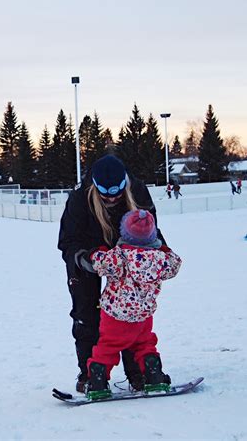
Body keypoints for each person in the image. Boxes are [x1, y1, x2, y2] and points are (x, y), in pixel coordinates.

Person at [58, 154, 167, 393]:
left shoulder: (137, 191)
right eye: (105, 194)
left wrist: (161, 252)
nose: (111, 198)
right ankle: (90, 375)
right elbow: (68, 240)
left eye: (117, 194)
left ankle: (137, 372)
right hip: (87, 257)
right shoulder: (79, 198)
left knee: (131, 312)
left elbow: (149, 229)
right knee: (86, 313)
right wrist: (85, 260)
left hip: (127, 255)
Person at [85, 209, 182, 399]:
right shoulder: (159, 259)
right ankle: (154, 376)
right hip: (142, 315)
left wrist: (97, 252)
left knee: (107, 347)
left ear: (125, 234)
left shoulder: (118, 256)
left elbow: (99, 264)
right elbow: (175, 264)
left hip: (114, 315)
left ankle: (97, 382)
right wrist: (164, 249)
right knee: (145, 344)